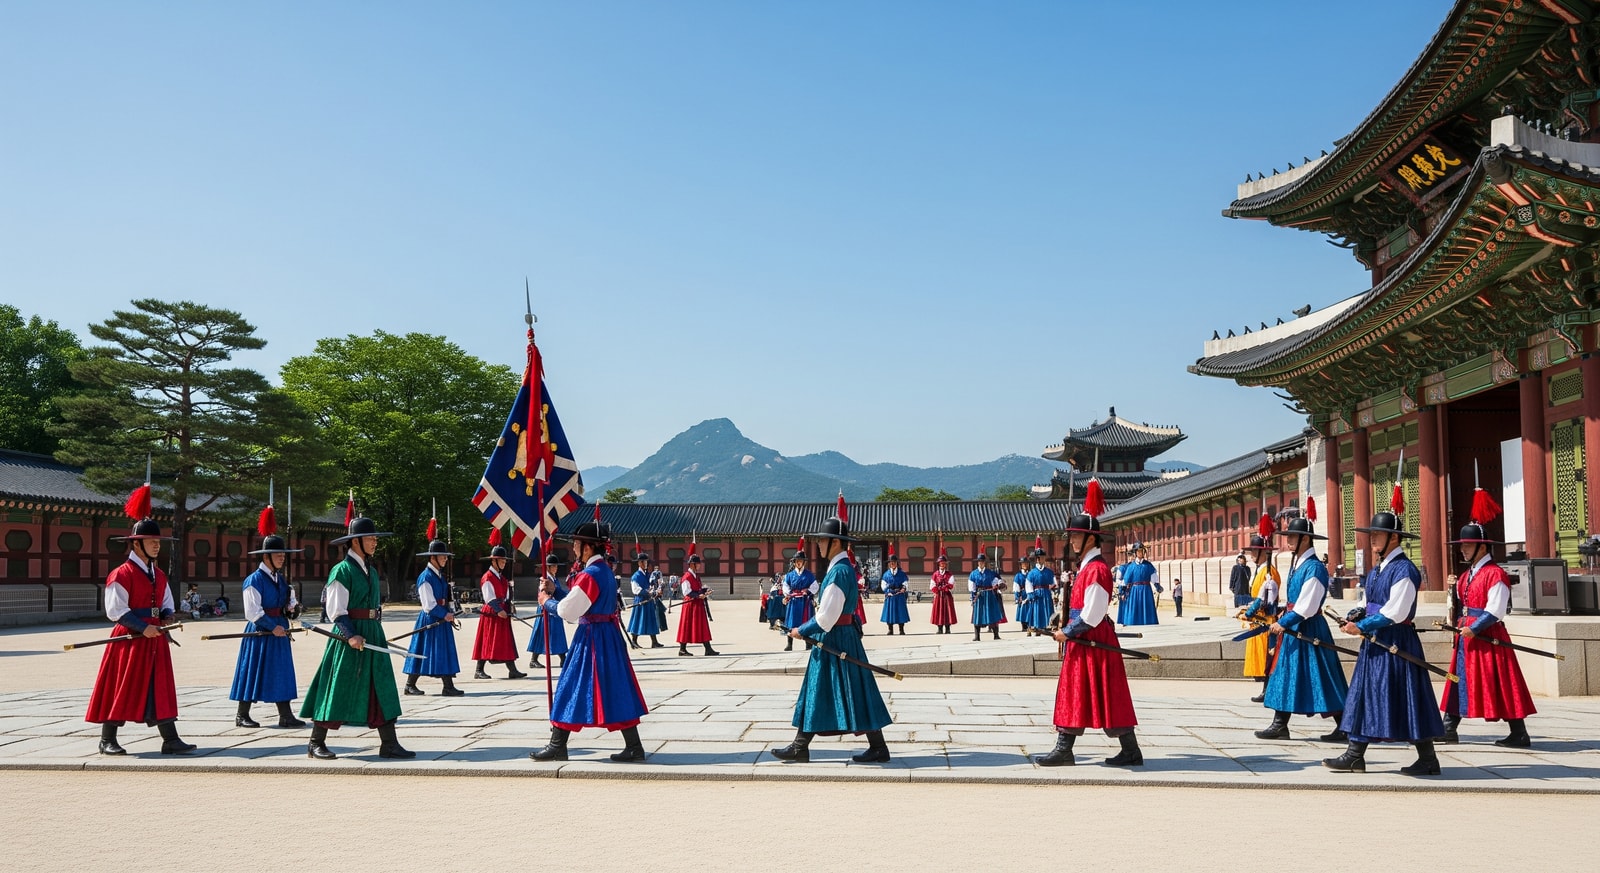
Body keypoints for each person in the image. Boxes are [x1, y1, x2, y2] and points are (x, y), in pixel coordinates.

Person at [1324, 507, 1445, 776]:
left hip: (1396, 640)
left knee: (1408, 697)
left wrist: (1363, 625)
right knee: (1365, 693)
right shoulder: (1378, 569)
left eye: (1378, 534)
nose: (1373, 539)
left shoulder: (1405, 570)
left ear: (1393, 537)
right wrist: (1355, 614)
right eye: (1372, 534)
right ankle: (1355, 755)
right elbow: (1368, 602)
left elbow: (1396, 611)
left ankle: (1427, 758)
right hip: (1376, 641)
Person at [769, 514, 893, 764]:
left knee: (817, 689)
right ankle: (875, 746)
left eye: (822, 540)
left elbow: (826, 618)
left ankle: (800, 746)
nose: (818, 544)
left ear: (834, 542)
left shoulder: (838, 572)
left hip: (833, 638)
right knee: (855, 688)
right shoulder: (844, 568)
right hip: (843, 637)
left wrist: (800, 630)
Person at [1035, 488, 1142, 767]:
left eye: (1076, 536)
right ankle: (1128, 750)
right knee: (1099, 691)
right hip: (1087, 638)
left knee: (1082, 690)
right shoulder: (1087, 567)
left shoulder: (1096, 569)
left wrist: (1067, 632)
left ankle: (1066, 749)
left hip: (1088, 637)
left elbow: (1092, 615)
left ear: (1090, 538)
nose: (1071, 541)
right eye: (1071, 536)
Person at [529, 519, 649, 763]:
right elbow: (582, 600)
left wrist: (545, 601)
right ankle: (634, 747)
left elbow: (568, 612)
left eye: (576, 544)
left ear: (588, 547)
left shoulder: (588, 575)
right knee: (615, 689)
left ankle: (557, 745)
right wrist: (556, 589)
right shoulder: (604, 571)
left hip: (590, 639)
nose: (573, 548)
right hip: (608, 637)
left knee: (570, 686)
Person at [86, 497, 196, 756]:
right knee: (121, 684)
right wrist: (140, 627)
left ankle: (170, 739)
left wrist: (167, 617)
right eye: (152, 541)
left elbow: (166, 602)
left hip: (155, 635)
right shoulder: (121, 574)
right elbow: (115, 610)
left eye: (158, 542)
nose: (157, 546)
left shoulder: (158, 574)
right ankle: (107, 739)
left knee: (160, 685)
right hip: (130, 637)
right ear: (136, 544)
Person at [300, 515, 412, 760]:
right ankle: (315, 742)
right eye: (370, 538)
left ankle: (389, 744)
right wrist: (351, 635)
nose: (374, 542)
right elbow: (336, 611)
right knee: (338, 685)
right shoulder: (341, 570)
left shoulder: (371, 570)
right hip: (349, 635)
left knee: (381, 685)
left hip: (372, 632)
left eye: (374, 538)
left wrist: (372, 630)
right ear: (355, 542)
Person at [1441, 510, 1536, 747]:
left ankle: (1519, 732)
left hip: (1486, 634)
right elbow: (1463, 605)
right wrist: (1453, 590)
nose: (1462, 549)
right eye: (1462, 545)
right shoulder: (1467, 574)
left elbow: (1496, 609)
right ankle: (1448, 727)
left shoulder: (1495, 574)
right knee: (1457, 679)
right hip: (1467, 634)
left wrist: (1476, 628)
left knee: (1501, 680)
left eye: (1468, 545)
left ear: (1482, 548)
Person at [1253, 517, 1347, 743]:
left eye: (1293, 537)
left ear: (1306, 539)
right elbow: (1296, 601)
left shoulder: (1314, 567)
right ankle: (1280, 724)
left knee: (1323, 676)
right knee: (1284, 673)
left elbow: (1308, 605)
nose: (1289, 541)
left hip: (1309, 628)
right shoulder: (1299, 565)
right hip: (1294, 625)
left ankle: (1344, 725)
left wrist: (1282, 623)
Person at [229, 524, 306, 729]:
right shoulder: (254, 580)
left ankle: (286, 715)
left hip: (279, 628)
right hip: (260, 630)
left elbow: (286, 606)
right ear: (266, 557)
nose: (282, 558)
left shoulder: (280, 579)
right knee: (252, 669)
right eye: (278, 555)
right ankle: (241, 714)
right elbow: (252, 612)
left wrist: (291, 609)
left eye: (283, 554)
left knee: (282, 670)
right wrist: (272, 626)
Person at [402, 538, 464, 697]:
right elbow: (428, 605)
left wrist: (450, 610)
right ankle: (410, 685)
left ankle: (448, 686)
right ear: (432, 557)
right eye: (442, 556)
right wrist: (445, 614)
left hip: (442, 617)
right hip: (431, 618)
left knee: (444, 651)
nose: (445, 558)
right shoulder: (426, 577)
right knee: (421, 649)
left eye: (446, 556)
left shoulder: (440, 576)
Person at [471, 539, 526, 680]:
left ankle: (512, 670)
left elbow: (506, 596)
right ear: (494, 561)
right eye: (501, 560)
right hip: (491, 612)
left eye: (504, 561)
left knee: (506, 640)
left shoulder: (502, 578)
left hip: (502, 610)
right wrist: (498, 609)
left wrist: (509, 605)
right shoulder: (487, 577)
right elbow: (489, 597)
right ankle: (479, 670)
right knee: (486, 639)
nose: (504, 563)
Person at [1240, 535, 1281, 702]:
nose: (1251, 555)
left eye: (1254, 551)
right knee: (1263, 655)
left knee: (1267, 656)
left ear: (1263, 552)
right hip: (1259, 618)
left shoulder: (1269, 572)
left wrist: (1250, 611)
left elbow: (1265, 598)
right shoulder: (1261, 570)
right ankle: (1265, 688)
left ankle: (1268, 689)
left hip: (1266, 619)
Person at [675, 550, 719, 656]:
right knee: (686, 626)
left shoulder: (696, 575)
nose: (699, 565)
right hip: (690, 604)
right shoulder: (687, 577)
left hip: (697, 603)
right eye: (698, 563)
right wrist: (698, 595)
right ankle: (682, 649)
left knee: (702, 625)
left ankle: (708, 648)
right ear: (692, 564)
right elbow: (686, 592)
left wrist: (704, 591)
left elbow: (697, 588)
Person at [528, 568, 569, 669]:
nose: (555, 568)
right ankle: (533, 659)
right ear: (548, 567)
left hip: (555, 608)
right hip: (546, 609)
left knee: (558, 634)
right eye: (552, 566)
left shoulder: (554, 579)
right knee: (541, 634)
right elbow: (542, 593)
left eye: (556, 565)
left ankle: (563, 658)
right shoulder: (544, 580)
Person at [627, 552, 665, 648]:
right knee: (638, 619)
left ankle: (654, 641)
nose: (646, 564)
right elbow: (636, 590)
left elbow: (652, 585)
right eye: (644, 562)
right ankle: (634, 641)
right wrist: (648, 592)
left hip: (649, 600)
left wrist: (656, 591)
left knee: (652, 620)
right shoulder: (636, 576)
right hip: (640, 600)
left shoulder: (648, 574)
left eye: (647, 562)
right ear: (639, 563)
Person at [1116, 543, 1160, 626]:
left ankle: (1148, 621)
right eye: (1139, 551)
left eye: (1142, 551)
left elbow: (1153, 576)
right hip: (1134, 590)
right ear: (1135, 553)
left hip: (1146, 589)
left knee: (1146, 607)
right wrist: (1122, 591)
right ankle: (1133, 621)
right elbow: (1125, 581)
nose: (1140, 553)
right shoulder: (1131, 566)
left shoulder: (1148, 565)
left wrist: (1157, 585)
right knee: (1134, 607)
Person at [782, 552, 816, 652]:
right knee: (791, 622)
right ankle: (789, 644)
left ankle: (808, 643)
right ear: (794, 563)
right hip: (793, 601)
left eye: (800, 561)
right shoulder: (789, 575)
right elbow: (785, 586)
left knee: (806, 622)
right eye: (797, 561)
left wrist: (808, 591)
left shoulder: (809, 575)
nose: (799, 563)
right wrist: (789, 594)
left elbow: (815, 586)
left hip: (805, 601)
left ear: (804, 562)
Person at [968, 552, 1005, 641]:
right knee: (978, 615)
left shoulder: (991, 573)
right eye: (979, 561)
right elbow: (972, 587)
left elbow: (997, 582)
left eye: (982, 561)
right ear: (977, 563)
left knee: (992, 614)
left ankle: (996, 635)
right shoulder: (973, 574)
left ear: (985, 563)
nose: (981, 563)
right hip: (979, 596)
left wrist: (999, 583)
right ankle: (977, 636)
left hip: (989, 596)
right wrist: (973, 598)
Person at [1024, 549, 1058, 631]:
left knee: (1048, 608)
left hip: (1046, 592)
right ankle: (1037, 625)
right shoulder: (1032, 573)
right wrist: (1031, 594)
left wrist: (1055, 593)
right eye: (1040, 557)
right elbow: (1028, 584)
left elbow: (1054, 584)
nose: (1042, 559)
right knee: (1038, 609)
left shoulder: (1049, 572)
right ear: (1037, 559)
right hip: (1036, 593)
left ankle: (1048, 624)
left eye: (1043, 557)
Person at [878, 551, 910, 634]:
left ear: (897, 563)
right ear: (889, 564)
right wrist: (887, 590)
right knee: (890, 613)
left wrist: (903, 588)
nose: (892, 564)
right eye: (891, 562)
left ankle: (901, 629)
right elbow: (883, 585)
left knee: (900, 612)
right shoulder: (886, 574)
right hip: (890, 595)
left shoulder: (902, 573)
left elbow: (905, 583)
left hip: (899, 595)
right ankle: (890, 629)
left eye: (894, 562)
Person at [928, 552, 957, 634]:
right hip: (938, 596)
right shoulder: (935, 574)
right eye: (941, 563)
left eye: (944, 563)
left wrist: (945, 588)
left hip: (947, 595)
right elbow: (932, 585)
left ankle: (948, 628)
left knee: (948, 611)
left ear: (946, 565)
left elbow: (951, 584)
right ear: (939, 564)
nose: (942, 565)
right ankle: (939, 628)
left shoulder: (949, 574)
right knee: (938, 611)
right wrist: (937, 590)